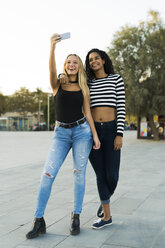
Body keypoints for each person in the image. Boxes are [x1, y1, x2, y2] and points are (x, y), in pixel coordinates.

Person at [26, 35, 100, 239]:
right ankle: (38, 220)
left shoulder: (84, 88)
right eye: (69, 62)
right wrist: (52, 47)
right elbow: (50, 69)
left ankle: (76, 216)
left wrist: (95, 135)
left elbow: (88, 112)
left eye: (75, 62)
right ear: (65, 66)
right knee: (47, 176)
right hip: (60, 134)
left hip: (81, 133)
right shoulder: (57, 83)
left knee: (79, 174)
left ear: (80, 67)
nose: (72, 64)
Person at [85, 48, 125, 229]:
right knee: (101, 175)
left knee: (113, 175)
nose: (94, 61)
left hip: (110, 130)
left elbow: (121, 108)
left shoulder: (116, 79)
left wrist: (119, 134)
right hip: (92, 132)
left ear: (103, 60)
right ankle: (107, 217)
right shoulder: (88, 83)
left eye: (97, 58)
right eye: (91, 59)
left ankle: (104, 201)